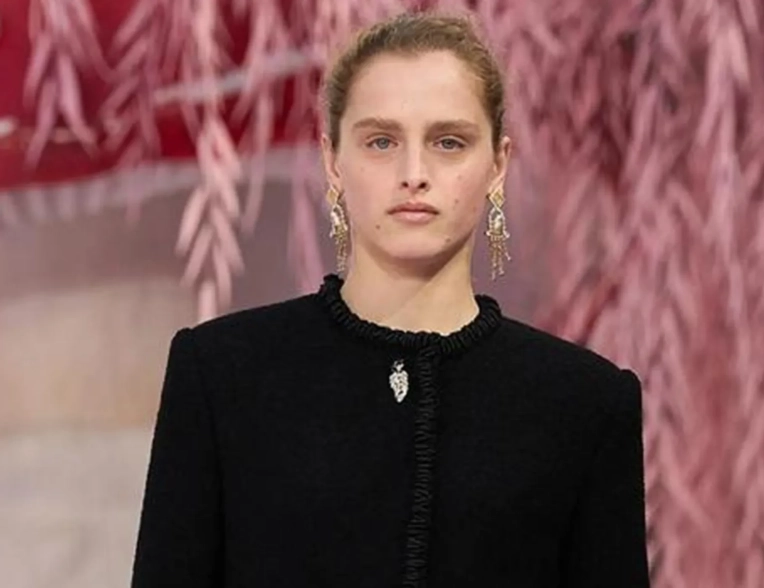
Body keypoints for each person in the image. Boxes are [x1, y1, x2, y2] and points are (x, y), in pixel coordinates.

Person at [130, 10, 650, 588]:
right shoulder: (222, 374)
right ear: (333, 160)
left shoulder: (585, 404)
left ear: (498, 164)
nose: (414, 173)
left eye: (448, 142)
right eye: (381, 141)